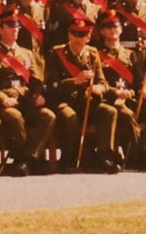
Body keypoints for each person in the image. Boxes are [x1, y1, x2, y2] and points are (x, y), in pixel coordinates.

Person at [0, 7, 56, 176]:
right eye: (10, 26)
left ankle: (30, 158)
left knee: (48, 115)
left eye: (17, 26)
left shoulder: (26, 53)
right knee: (14, 116)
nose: (15, 29)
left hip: (26, 101)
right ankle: (21, 158)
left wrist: (37, 94)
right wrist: (3, 98)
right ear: (0, 29)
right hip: (6, 102)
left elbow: (36, 80)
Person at [44, 16, 119, 173]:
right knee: (70, 116)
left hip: (88, 100)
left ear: (89, 37)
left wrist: (99, 88)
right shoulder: (57, 53)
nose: (79, 39)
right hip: (65, 101)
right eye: (76, 34)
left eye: (83, 35)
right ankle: (70, 158)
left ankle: (104, 156)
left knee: (109, 111)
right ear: (69, 35)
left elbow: (103, 82)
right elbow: (52, 85)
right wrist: (74, 81)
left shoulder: (92, 53)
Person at [94, 9, 146, 172]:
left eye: (116, 26)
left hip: (131, 99)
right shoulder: (97, 55)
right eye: (108, 27)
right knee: (127, 115)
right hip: (111, 100)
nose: (113, 30)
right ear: (102, 31)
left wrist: (145, 88)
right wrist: (115, 92)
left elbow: (140, 79)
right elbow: (99, 82)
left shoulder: (130, 55)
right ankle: (140, 156)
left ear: (121, 29)